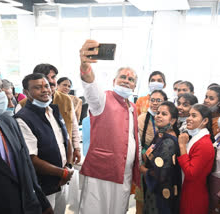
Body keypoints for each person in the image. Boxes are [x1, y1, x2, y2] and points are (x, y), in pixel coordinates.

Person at [0, 60, 53, 214]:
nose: (0, 95)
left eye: (0, 88)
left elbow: (27, 167)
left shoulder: (8, 122)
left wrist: (44, 204)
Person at [78, 39, 140, 214]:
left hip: (124, 173)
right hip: (101, 172)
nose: (126, 81)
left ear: (135, 85)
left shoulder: (133, 107)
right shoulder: (102, 99)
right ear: (114, 80)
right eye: (123, 77)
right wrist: (84, 65)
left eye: (131, 79)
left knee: (118, 210)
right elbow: (90, 84)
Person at [15, 73, 74, 213]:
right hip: (44, 185)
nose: (45, 90)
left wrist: (69, 166)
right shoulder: (22, 118)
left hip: (63, 179)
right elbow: (31, 158)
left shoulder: (53, 110)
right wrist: (63, 173)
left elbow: (66, 140)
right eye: (37, 87)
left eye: (46, 86)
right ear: (26, 92)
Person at [18, 64, 81, 164]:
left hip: (66, 158)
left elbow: (73, 125)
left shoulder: (65, 100)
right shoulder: (22, 106)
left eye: (53, 77)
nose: (51, 81)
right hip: (43, 163)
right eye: (46, 78)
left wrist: (77, 148)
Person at [139, 101, 181, 214]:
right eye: (158, 113)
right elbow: (150, 153)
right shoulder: (160, 135)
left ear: (172, 120)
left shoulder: (168, 142)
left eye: (164, 114)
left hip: (161, 191)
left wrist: (145, 171)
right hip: (153, 188)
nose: (158, 116)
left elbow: (163, 173)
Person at [177, 104, 215, 214]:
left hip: (194, 196)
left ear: (205, 120)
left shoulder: (204, 144)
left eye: (194, 116)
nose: (189, 118)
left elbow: (190, 173)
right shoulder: (195, 138)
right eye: (189, 115)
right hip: (188, 191)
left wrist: (182, 146)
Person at [135, 89, 167, 214]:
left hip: (163, 165)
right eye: (152, 100)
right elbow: (138, 140)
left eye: (158, 100)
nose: (154, 103)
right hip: (145, 161)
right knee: (141, 200)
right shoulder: (142, 118)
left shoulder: (169, 120)